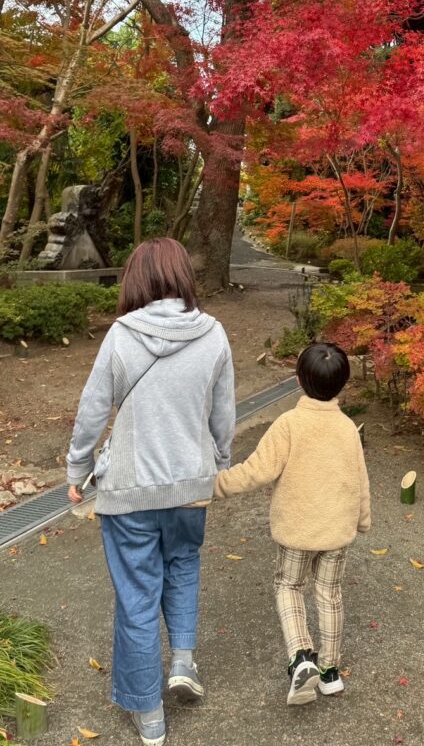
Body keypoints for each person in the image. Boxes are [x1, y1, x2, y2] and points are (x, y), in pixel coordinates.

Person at [67, 238, 235, 746]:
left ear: (136, 278)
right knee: (183, 566)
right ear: (183, 275)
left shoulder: (121, 335)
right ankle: (182, 661)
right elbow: (223, 414)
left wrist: (78, 470)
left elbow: (93, 411)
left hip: (130, 492)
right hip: (190, 487)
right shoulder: (214, 334)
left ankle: (150, 717)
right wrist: (218, 465)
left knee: (138, 598)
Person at [215, 341, 370, 706]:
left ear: (299, 380)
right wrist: (363, 519)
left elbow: (257, 471)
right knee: (329, 594)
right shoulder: (347, 427)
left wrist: (215, 485)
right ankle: (330, 673)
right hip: (336, 530)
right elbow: (360, 478)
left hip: (297, 529)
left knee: (289, 585)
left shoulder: (288, 424)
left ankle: (301, 657)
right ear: (343, 383)